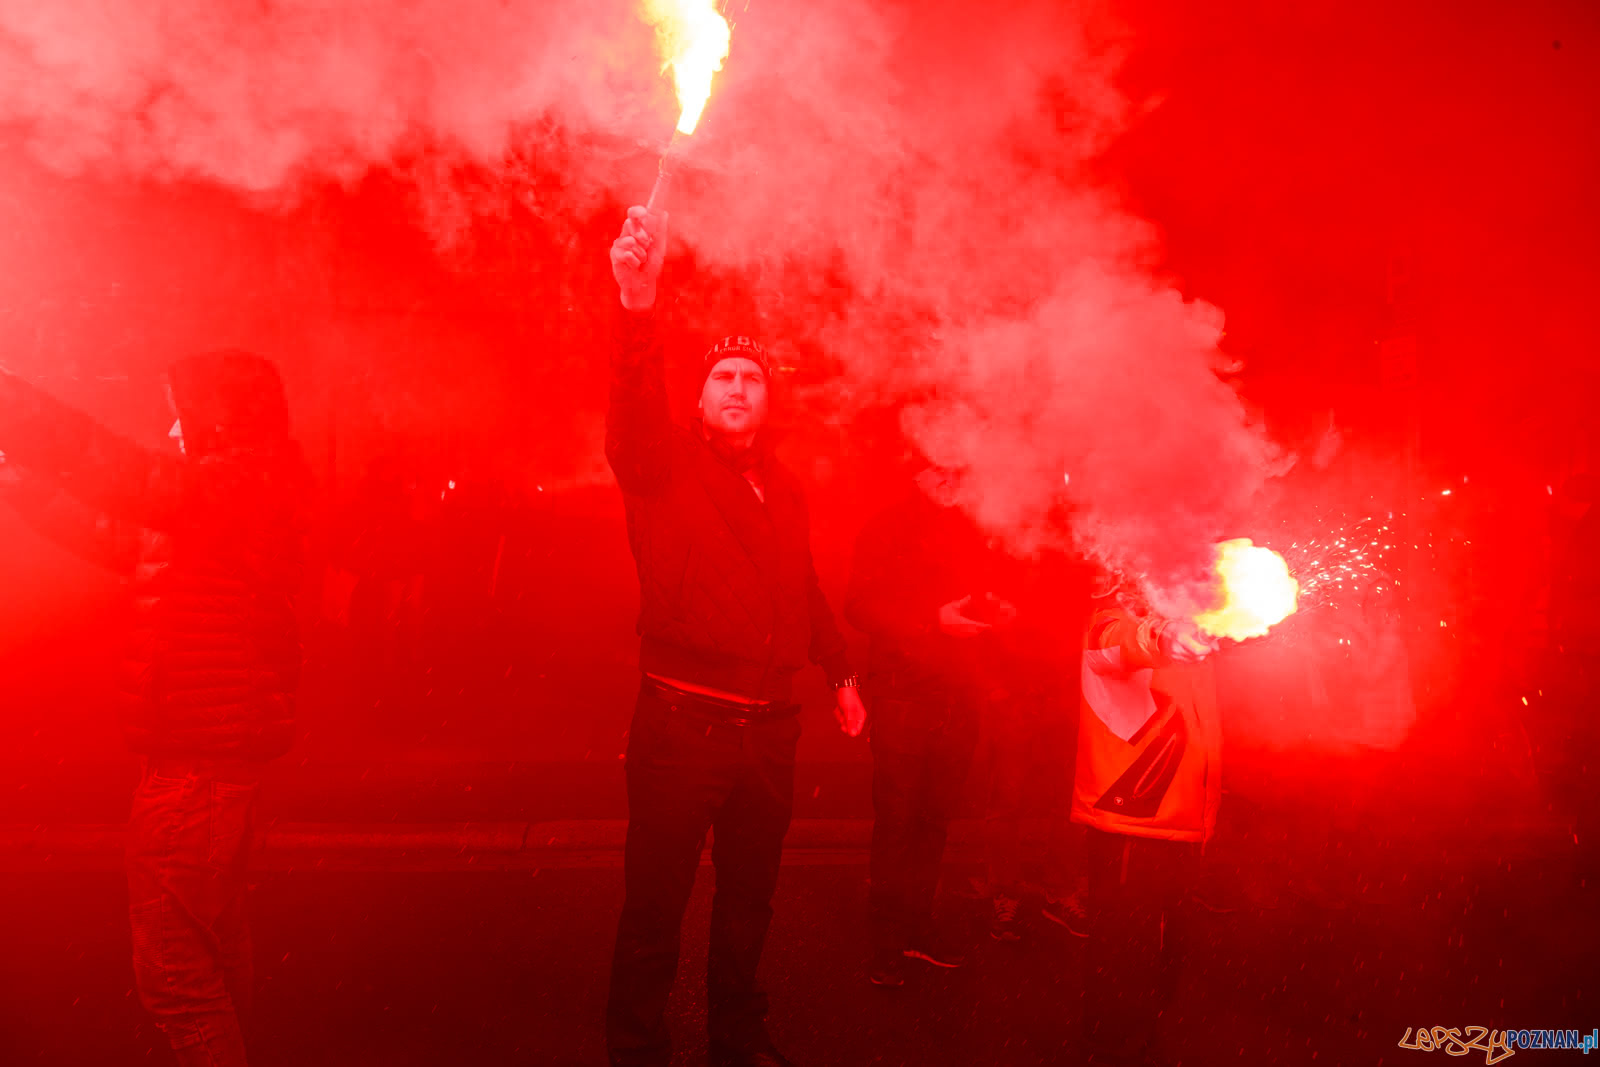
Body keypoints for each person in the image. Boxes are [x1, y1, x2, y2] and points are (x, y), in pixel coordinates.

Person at [603, 205, 867, 1067]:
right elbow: (634, 403)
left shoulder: (784, 489)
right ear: (702, 396)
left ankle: (736, 1034)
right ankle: (638, 1047)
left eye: (751, 379)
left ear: (768, 399)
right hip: (682, 726)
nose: (737, 390)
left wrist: (838, 668)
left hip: (768, 732)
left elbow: (804, 587)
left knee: (750, 899)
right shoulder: (660, 467)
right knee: (655, 904)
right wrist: (638, 304)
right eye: (723, 378)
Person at [0, 351, 306, 1067]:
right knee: (214, 962)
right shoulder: (222, 500)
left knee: (176, 977)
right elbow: (109, 532)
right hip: (202, 773)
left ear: (220, 420)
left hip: (194, 778)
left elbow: (126, 477)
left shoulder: (237, 484)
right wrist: (11, 474)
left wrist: (12, 404)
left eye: (181, 412)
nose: (169, 426)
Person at [844, 460, 1011, 985]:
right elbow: (859, 605)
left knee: (934, 822)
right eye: (936, 466)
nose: (950, 477)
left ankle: (918, 928)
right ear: (913, 471)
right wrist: (929, 619)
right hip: (904, 696)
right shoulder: (887, 526)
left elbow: (995, 599)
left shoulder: (977, 528)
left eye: (959, 467)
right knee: (897, 822)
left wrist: (1003, 613)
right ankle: (887, 943)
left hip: (958, 698)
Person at [1073, 578, 1220, 1066]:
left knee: (1163, 955)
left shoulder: (1188, 620)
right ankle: (1108, 1049)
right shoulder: (1111, 619)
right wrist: (1162, 638)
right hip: (1130, 821)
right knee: (1123, 956)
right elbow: (1116, 643)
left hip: (1177, 821)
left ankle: (1140, 1039)